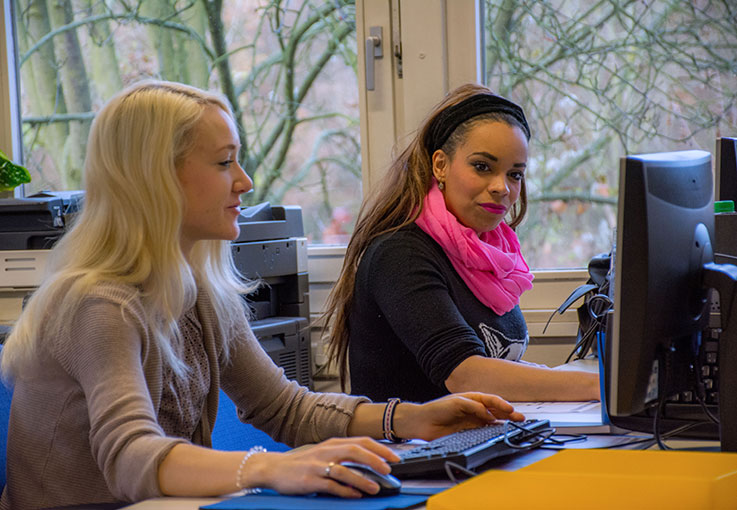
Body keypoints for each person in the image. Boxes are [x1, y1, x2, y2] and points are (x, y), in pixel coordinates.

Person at [0, 81, 525, 509]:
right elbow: (131, 457)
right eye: (225, 162)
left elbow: (284, 407)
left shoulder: (198, 290)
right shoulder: (101, 305)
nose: (246, 182)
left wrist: (410, 418)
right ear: (157, 177)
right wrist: (271, 468)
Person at [324, 83, 600, 404]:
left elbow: (497, 366)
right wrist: (602, 388)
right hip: (412, 450)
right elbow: (465, 374)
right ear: (440, 165)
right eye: (482, 167)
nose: (502, 188)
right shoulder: (401, 253)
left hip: (479, 439)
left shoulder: (488, 255)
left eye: (515, 174)